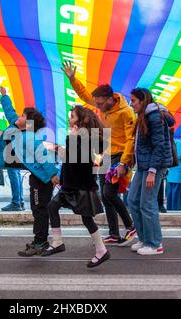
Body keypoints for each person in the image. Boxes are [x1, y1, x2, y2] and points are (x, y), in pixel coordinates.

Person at [62, 61, 136, 245]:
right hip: (106, 156)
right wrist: (72, 79)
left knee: (109, 193)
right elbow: (85, 95)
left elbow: (131, 140)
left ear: (111, 98)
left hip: (120, 157)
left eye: (101, 103)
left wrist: (124, 163)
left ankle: (130, 226)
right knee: (105, 195)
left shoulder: (126, 113)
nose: (98, 107)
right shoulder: (102, 105)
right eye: (98, 104)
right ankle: (114, 233)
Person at [45, 105, 110, 267]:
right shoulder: (81, 136)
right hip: (72, 184)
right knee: (53, 207)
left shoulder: (83, 137)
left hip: (79, 185)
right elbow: (72, 157)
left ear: (80, 121)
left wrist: (71, 140)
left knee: (86, 219)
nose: (69, 119)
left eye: (72, 116)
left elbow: (80, 161)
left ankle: (101, 250)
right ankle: (59, 241)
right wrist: (59, 148)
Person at [0, 86, 59, 257]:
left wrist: (53, 174)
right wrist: (4, 96)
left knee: (40, 209)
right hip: (37, 177)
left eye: (23, 116)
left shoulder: (29, 137)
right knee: (37, 208)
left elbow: (43, 156)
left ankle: (40, 241)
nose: (18, 116)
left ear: (29, 122)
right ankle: (41, 240)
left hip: (43, 179)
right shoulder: (19, 130)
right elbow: (10, 113)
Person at [126, 88, 174, 255]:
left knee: (147, 203)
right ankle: (144, 238)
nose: (131, 104)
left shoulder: (154, 117)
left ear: (142, 100)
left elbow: (159, 146)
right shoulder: (143, 116)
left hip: (154, 166)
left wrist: (152, 171)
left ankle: (155, 244)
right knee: (132, 200)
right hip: (143, 165)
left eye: (133, 101)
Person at [166, 139, 181, 211]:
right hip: (178, 172)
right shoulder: (180, 140)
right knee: (177, 198)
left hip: (171, 171)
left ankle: (170, 214)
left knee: (170, 196)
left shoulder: (171, 138)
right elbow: (180, 154)